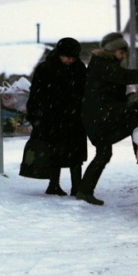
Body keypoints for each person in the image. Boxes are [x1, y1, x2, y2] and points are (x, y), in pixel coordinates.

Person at [76, 32, 138, 206]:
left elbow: (111, 91)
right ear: (112, 51)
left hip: (99, 116)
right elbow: (124, 77)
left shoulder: (103, 64)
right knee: (136, 118)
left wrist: (127, 99)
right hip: (101, 117)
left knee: (103, 154)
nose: (123, 56)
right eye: (121, 53)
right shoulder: (105, 65)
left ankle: (84, 191)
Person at [25, 37, 87, 196]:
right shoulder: (46, 68)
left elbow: (85, 93)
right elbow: (36, 94)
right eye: (66, 56)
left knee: (75, 155)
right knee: (54, 154)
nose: (69, 60)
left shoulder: (79, 68)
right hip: (52, 118)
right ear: (59, 53)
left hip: (73, 118)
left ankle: (77, 186)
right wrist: (35, 116)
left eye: (72, 57)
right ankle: (53, 185)